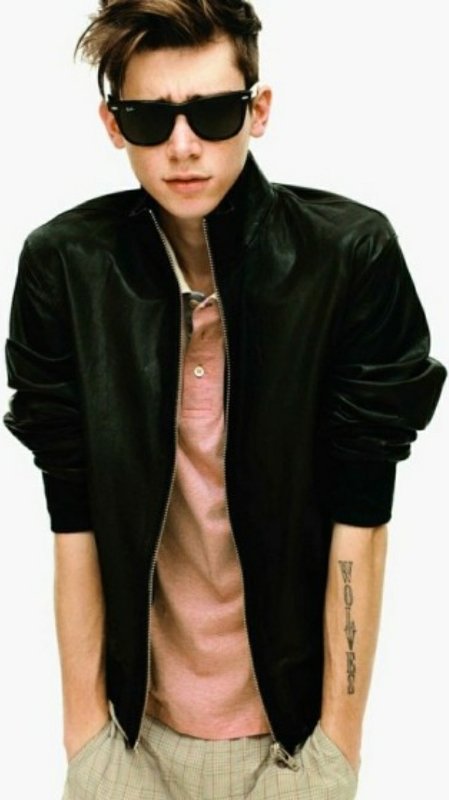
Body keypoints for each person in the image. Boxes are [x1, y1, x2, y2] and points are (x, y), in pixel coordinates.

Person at [3, 1, 446, 798]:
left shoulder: (347, 257)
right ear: (112, 125)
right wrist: (87, 739)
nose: (183, 145)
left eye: (211, 113)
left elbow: (362, 517)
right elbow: (71, 518)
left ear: (258, 110)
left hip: (291, 745)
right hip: (130, 741)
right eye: (149, 118)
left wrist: (335, 749)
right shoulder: (65, 267)